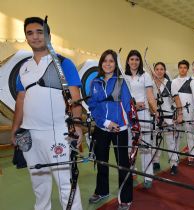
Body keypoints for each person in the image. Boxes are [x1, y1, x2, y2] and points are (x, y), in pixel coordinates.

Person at [11, 17, 83, 210]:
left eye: (39, 32)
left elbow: (74, 97)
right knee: (39, 186)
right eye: (30, 33)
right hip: (30, 134)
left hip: (58, 132)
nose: (35, 37)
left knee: (66, 184)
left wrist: (77, 126)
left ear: (48, 35)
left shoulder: (63, 63)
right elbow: (21, 99)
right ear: (26, 37)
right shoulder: (24, 67)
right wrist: (15, 129)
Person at [87, 49, 133, 210]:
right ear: (101, 63)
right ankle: (102, 190)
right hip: (101, 128)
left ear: (115, 64)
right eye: (105, 61)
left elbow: (127, 106)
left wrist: (128, 126)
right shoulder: (95, 82)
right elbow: (93, 106)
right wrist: (106, 122)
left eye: (111, 61)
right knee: (101, 162)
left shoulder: (121, 81)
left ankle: (126, 198)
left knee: (123, 165)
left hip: (120, 129)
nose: (108, 64)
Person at [125, 50, 157, 189]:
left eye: (137, 59)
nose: (134, 62)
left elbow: (150, 96)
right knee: (128, 145)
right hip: (127, 115)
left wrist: (155, 112)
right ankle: (131, 172)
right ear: (128, 61)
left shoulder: (145, 76)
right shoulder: (122, 77)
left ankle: (147, 175)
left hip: (143, 115)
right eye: (131, 59)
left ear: (140, 61)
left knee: (145, 145)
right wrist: (132, 105)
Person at [151, 62, 183, 175]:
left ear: (165, 71)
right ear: (154, 71)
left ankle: (174, 163)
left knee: (170, 141)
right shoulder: (150, 84)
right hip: (155, 116)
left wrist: (180, 114)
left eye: (161, 69)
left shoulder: (170, 84)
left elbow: (177, 99)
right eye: (157, 69)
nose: (159, 71)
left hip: (168, 116)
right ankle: (155, 161)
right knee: (155, 139)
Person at [171, 60, 194, 166]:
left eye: (184, 67)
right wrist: (178, 112)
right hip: (178, 111)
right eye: (181, 67)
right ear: (178, 69)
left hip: (189, 111)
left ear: (187, 69)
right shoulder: (174, 81)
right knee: (176, 134)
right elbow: (174, 97)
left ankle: (192, 155)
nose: (182, 69)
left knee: (190, 133)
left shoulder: (192, 81)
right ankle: (175, 156)